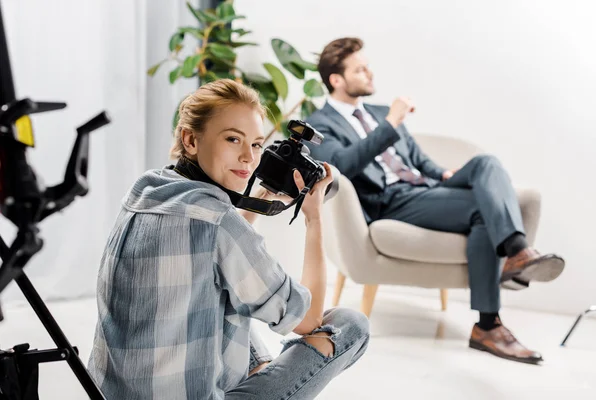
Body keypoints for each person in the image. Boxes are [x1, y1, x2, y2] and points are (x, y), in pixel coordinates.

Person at [88, 79, 370, 399]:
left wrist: (263, 196)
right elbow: (308, 319)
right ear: (190, 140)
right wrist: (313, 218)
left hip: (110, 395)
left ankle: (260, 373)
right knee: (351, 324)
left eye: (256, 144)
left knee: (228, 293)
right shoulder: (219, 222)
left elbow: (213, 243)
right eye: (233, 139)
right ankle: (263, 379)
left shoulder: (145, 190)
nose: (249, 158)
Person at [305, 37, 565, 365]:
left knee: (486, 164)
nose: (370, 74)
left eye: (368, 66)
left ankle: (516, 253)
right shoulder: (320, 123)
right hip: (390, 200)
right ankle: (491, 321)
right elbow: (343, 165)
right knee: (482, 213)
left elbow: (415, 158)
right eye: (360, 69)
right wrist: (390, 125)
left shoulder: (379, 111)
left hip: (424, 187)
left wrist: (441, 174)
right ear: (336, 80)